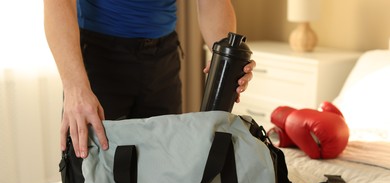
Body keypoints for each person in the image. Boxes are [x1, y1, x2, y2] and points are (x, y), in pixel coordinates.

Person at [44, 0, 256, 159]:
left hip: (163, 58)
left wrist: (226, 57)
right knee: (93, 175)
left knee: (163, 169)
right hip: (99, 57)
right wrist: (75, 88)